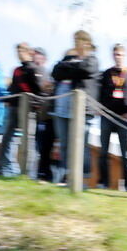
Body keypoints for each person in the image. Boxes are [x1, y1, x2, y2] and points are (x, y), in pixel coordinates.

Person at [51, 30, 99, 184]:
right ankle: (66, 176)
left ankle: (81, 178)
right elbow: (56, 72)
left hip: (83, 109)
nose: (75, 45)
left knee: (80, 144)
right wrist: (71, 64)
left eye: (77, 41)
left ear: (85, 42)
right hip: (65, 108)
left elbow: (86, 69)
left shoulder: (93, 60)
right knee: (64, 143)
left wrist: (71, 68)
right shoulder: (71, 58)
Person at [0, 43, 46, 176]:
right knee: (7, 138)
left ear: (29, 52)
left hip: (29, 111)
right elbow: (13, 88)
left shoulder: (35, 69)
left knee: (28, 141)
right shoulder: (17, 70)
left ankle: (28, 173)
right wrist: (7, 100)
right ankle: (7, 169)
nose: (19, 53)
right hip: (14, 108)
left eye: (22, 51)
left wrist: (35, 107)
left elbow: (40, 91)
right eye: (17, 51)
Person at [97, 43, 127, 189]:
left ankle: (126, 185)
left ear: (125, 56)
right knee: (103, 152)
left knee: (125, 153)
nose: (118, 57)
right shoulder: (107, 73)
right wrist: (100, 109)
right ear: (113, 56)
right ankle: (104, 182)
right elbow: (100, 93)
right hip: (106, 117)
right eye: (116, 54)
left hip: (123, 118)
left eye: (120, 54)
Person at [30, 47, 55, 182]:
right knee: (40, 147)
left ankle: (45, 174)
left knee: (44, 148)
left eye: (38, 55)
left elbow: (46, 91)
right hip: (39, 116)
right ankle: (40, 173)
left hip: (47, 117)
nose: (35, 57)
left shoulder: (46, 74)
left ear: (44, 58)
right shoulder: (34, 72)